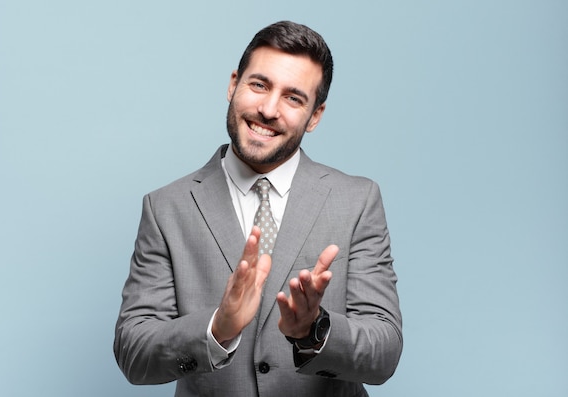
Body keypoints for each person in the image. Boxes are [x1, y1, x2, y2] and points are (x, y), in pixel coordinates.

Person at [114, 20, 402, 397]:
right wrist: (217, 328)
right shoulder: (166, 207)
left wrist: (314, 330)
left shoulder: (357, 201)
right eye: (259, 85)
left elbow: (384, 354)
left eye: (293, 98)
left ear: (315, 115)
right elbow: (134, 354)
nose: (268, 109)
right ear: (234, 84)